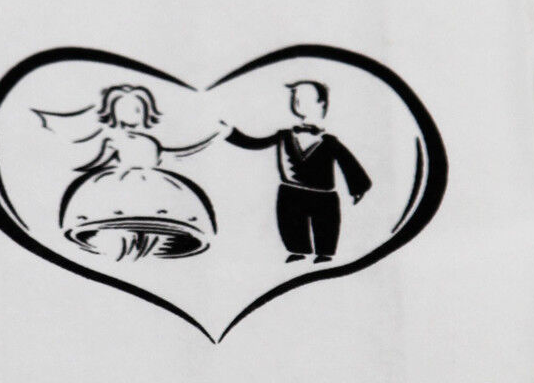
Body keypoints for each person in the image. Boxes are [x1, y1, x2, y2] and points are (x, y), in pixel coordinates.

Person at [33, 84, 219, 259]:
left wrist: (212, 138)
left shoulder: (150, 140)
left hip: (156, 185)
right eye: (124, 110)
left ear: (145, 112)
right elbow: (100, 160)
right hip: (119, 183)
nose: (131, 116)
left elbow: (178, 152)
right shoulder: (114, 140)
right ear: (113, 113)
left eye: (137, 110)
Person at [225, 80, 371, 263]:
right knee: (292, 228)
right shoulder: (284, 135)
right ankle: (298, 252)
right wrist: (231, 134)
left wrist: (358, 186)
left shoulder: (329, 141)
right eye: (295, 97)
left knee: (325, 229)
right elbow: (256, 143)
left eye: (304, 98)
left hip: (323, 196)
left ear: (321, 103)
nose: (297, 102)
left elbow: (347, 162)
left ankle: (324, 256)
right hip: (290, 192)